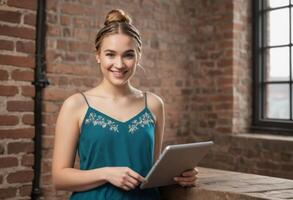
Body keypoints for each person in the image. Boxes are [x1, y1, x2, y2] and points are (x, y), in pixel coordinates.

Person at [52, 8, 198, 200]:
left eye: (128, 55)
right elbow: (59, 177)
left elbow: (152, 170)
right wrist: (106, 174)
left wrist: (181, 176)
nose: (119, 64)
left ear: (138, 56)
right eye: (110, 54)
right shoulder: (76, 105)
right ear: (98, 55)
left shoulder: (153, 104)